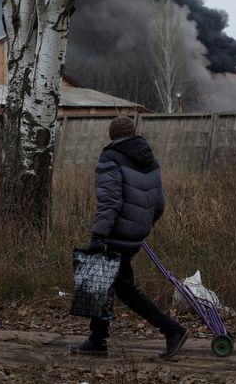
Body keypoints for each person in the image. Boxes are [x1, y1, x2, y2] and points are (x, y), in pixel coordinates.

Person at [70, 115, 189, 359]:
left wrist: (98, 236)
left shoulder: (110, 158)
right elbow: (159, 204)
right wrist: (142, 226)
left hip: (115, 234)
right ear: (134, 133)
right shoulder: (150, 160)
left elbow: (109, 201)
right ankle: (97, 339)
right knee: (103, 283)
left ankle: (172, 330)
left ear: (112, 136)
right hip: (136, 234)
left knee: (124, 289)